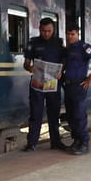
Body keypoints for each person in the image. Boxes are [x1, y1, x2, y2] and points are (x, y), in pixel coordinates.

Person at [23, 18, 67, 151]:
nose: (46, 34)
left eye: (49, 31)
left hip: (53, 84)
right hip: (37, 83)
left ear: (53, 30)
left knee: (54, 113)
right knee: (35, 113)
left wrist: (61, 71)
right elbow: (26, 63)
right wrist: (30, 68)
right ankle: (32, 143)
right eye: (43, 31)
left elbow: (64, 61)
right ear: (39, 29)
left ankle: (56, 142)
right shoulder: (33, 43)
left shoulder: (59, 43)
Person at [61, 23, 91, 155]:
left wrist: (90, 78)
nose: (69, 36)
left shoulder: (83, 47)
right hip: (67, 86)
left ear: (77, 34)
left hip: (79, 85)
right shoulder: (67, 49)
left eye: (72, 34)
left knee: (79, 115)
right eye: (68, 34)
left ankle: (84, 143)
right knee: (70, 115)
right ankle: (76, 141)